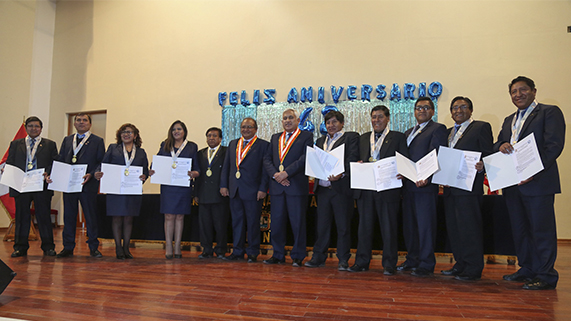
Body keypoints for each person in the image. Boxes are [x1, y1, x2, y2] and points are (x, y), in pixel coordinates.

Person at [495, 76, 565, 290]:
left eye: (522, 90)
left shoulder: (549, 112)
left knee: (541, 230)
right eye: (514, 92)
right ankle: (527, 268)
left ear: (534, 91)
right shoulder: (509, 119)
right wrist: (501, 145)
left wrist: (533, 171)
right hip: (513, 184)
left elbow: (554, 146)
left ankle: (546, 275)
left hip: (538, 183)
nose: (518, 95)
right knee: (520, 229)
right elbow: (498, 142)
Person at [349, 105, 408, 275]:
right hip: (366, 189)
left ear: (387, 118)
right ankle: (361, 262)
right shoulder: (363, 137)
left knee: (389, 228)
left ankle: (389, 264)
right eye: (374, 117)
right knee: (364, 228)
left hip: (388, 189)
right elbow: (354, 158)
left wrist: (402, 171)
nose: (376, 120)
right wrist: (358, 164)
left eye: (380, 117)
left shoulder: (397, 137)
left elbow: (404, 159)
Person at [441, 97, 493, 281]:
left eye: (463, 107)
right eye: (454, 107)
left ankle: (473, 268)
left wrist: (483, 164)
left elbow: (488, 152)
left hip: (469, 188)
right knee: (455, 229)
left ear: (471, 110)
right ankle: (460, 264)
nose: (458, 110)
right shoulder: (448, 132)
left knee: (470, 228)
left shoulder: (480, 127)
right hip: (450, 189)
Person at [398, 97, 447, 277]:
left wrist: (426, 175)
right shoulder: (408, 132)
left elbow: (436, 153)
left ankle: (426, 264)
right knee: (410, 226)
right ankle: (412, 260)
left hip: (424, 186)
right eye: (418, 108)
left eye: (426, 108)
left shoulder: (438, 129)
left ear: (432, 111)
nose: (422, 110)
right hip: (408, 186)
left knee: (425, 226)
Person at [304, 111, 359, 271]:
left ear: (342, 123)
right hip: (323, 190)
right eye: (328, 122)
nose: (331, 125)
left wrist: (342, 172)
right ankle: (318, 257)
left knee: (343, 227)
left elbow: (353, 158)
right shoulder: (320, 140)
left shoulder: (350, 137)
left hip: (340, 189)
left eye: (335, 122)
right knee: (322, 226)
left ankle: (343, 259)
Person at [262, 109, 313, 267]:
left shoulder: (306, 136)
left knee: (297, 223)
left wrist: (286, 173)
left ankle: (298, 256)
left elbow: (305, 158)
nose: (287, 120)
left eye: (291, 118)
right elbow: (267, 159)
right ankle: (277, 254)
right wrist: (277, 175)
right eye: (285, 118)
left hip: (295, 186)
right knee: (276, 223)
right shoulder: (275, 137)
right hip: (277, 187)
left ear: (298, 120)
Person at [94, 123, 149, 259]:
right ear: (120, 135)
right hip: (115, 189)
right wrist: (97, 172)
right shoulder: (113, 148)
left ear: (135, 135)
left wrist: (144, 176)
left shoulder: (141, 152)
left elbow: (145, 170)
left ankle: (126, 248)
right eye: (123, 132)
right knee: (117, 218)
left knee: (129, 219)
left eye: (129, 132)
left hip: (132, 189)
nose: (126, 134)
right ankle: (118, 247)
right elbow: (103, 164)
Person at [55, 113, 105, 258]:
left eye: (84, 120)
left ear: (90, 124)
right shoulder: (67, 140)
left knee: (90, 216)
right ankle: (68, 247)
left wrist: (92, 173)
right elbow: (61, 159)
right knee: (69, 216)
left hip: (87, 183)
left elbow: (101, 162)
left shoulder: (97, 141)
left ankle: (93, 247)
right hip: (69, 183)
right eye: (78, 120)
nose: (81, 122)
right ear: (74, 123)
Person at [7, 116, 58, 257]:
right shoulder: (16, 144)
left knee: (43, 216)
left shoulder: (49, 144)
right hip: (21, 186)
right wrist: (6, 170)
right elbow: (10, 162)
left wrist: (48, 173)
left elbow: (54, 163)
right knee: (22, 217)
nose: (33, 128)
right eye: (30, 126)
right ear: (26, 128)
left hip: (41, 185)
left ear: (41, 129)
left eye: (37, 126)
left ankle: (48, 247)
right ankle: (20, 247)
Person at [220, 118, 269, 263]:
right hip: (235, 190)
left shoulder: (263, 145)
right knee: (237, 222)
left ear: (255, 129)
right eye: (243, 127)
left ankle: (253, 252)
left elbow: (265, 171)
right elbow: (227, 167)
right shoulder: (233, 144)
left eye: (249, 127)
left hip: (254, 191)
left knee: (253, 223)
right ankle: (238, 251)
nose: (246, 129)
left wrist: (262, 188)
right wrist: (224, 185)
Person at [149, 121, 199, 259]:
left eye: (179, 129)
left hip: (183, 186)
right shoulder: (165, 145)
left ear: (184, 131)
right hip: (168, 186)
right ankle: (168, 246)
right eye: (174, 129)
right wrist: (152, 169)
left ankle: (177, 245)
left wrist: (195, 173)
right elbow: (156, 162)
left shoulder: (191, 146)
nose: (176, 131)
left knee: (180, 216)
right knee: (169, 216)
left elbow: (197, 167)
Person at [194, 127, 228, 259]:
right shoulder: (200, 153)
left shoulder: (226, 152)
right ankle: (206, 249)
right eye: (209, 136)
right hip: (203, 194)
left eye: (214, 136)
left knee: (220, 225)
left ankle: (220, 250)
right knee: (204, 225)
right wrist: (196, 193)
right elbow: (198, 174)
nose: (211, 138)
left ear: (220, 139)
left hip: (220, 194)